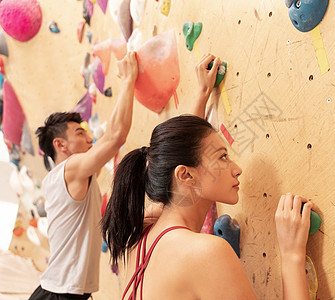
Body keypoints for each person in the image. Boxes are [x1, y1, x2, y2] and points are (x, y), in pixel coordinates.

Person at [101, 64, 316, 299]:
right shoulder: (204, 253)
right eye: (223, 157)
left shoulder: (139, 242)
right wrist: (291, 254)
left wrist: (202, 93)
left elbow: (182, 169)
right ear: (185, 175)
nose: (237, 169)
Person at [29, 51, 221, 299]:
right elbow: (115, 137)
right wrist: (128, 78)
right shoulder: (66, 171)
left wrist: (202, 94)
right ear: (60, 145)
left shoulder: (74, 181)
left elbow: (174, 156)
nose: (89, 139)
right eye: (79, 133)